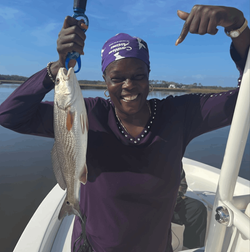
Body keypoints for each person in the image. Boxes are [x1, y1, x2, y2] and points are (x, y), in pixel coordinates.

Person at [0, 4, 249, 252]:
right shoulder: (86, 113)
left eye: (138, 75)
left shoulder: (179, 115)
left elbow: (244, 99)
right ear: (105, 82)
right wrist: (55, 68)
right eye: (117, 78)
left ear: (149, 75)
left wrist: (238, 26)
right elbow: (10, 115)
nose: (129, 85)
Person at [172, 167, 207, 250]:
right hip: (145, 205)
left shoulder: (172, 159)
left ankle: (190, 249)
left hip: (170, 202)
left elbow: (182, 185)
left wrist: (173, 198)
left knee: (197, 209)